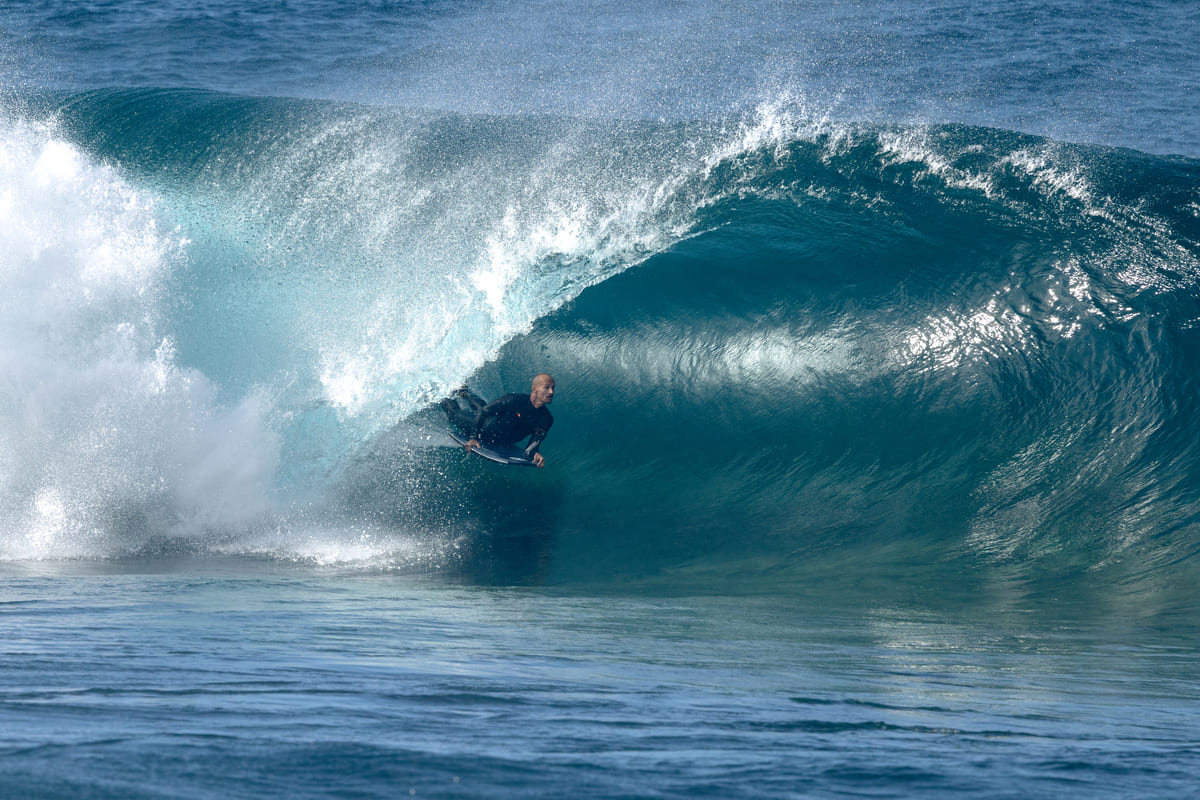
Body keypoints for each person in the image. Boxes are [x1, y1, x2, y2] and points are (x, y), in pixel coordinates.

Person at [440, 374, 555, 468]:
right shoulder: (514, 400)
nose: (551, 392)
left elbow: (532, 444)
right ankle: (440, 395)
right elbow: (483, 413)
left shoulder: (546, 419)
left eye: (553, 388)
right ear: (534, 388)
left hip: (502, 439)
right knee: (455, 415)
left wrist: (535, 453)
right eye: (546, 387)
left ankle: (464, 392)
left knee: (483, 408)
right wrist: (473, 437)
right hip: (485, 428)